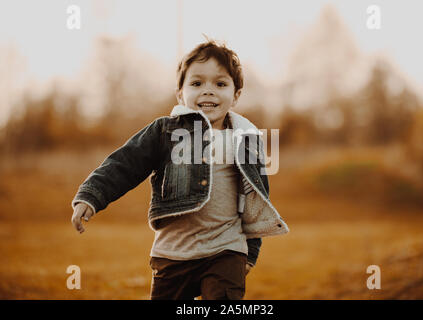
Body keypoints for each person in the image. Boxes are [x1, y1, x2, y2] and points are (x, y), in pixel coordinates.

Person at [71, 40, 289, 300]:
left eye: (220, 84)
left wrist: (249, 251)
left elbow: (257, 200)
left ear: (236, 95)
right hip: (173, 254)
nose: (208, 91)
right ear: (180, 94)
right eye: (197, 84)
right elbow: (125, 163)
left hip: (226, 250)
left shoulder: (246, 139)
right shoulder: (165, 131)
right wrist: (92, 195)